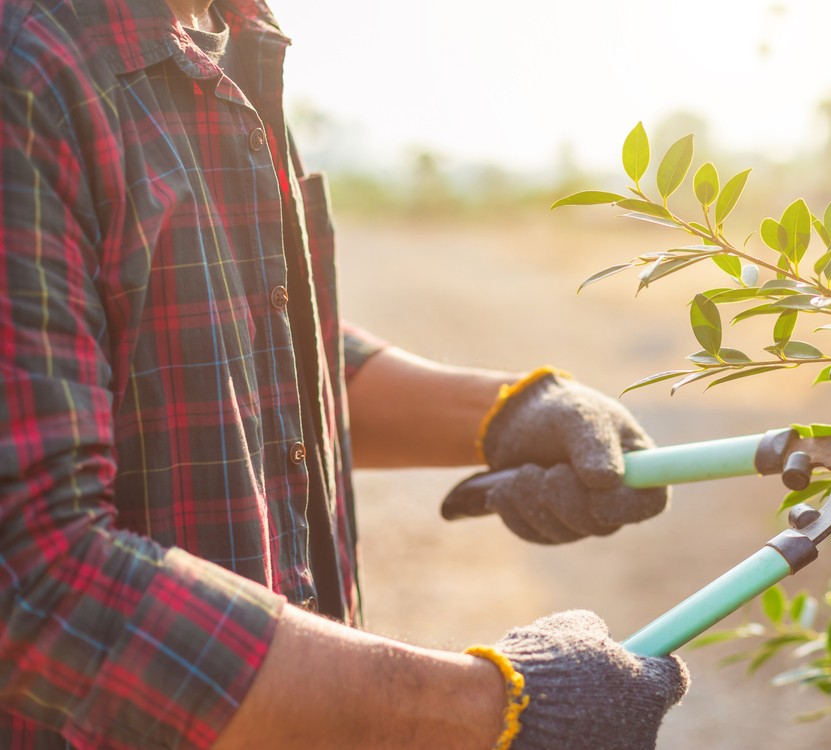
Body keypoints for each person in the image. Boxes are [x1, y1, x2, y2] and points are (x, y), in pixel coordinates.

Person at [0, 0, 688, 747]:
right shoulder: (28, 66)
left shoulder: (228, 35)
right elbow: (33, 576)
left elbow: (245, 338)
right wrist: (483, 707)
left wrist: (506, 415)